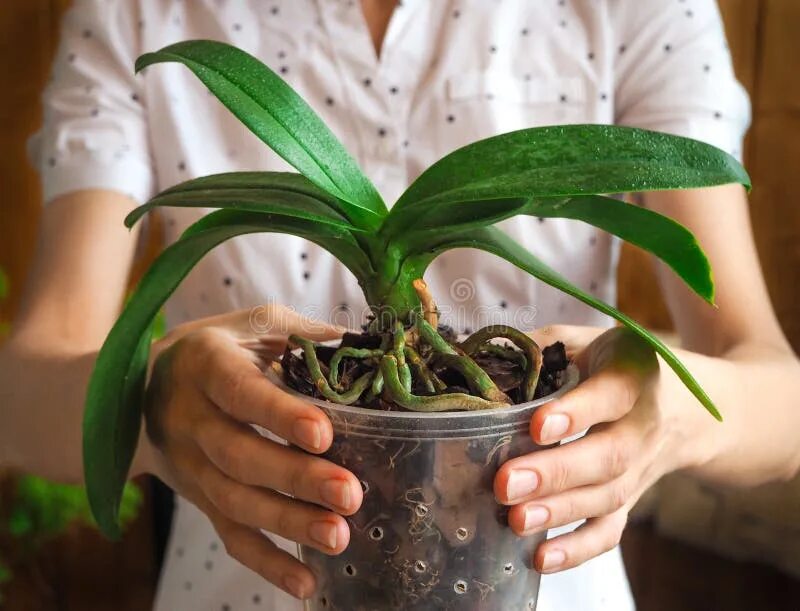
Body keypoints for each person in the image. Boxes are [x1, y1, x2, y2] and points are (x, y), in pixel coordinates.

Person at [2, 0, 798, 609]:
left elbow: (781, 399)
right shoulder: (134, 11)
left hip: (550, 578)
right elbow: (22, 397)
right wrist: (153, 401)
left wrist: (668, 412)